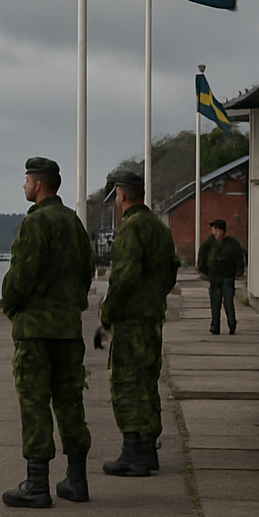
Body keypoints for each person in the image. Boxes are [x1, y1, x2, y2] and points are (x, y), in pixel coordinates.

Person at [0, 156, 95, 509]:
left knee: (35, 403)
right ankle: (77, 479)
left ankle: (36, 483)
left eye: (26, 180)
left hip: (36, 331)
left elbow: (20, 277)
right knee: (70, 401)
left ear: (38, 184)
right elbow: (88, 271)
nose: (23, 186)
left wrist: (10, 305)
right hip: (68, 330)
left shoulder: (35, 224)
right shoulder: (73, 223)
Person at [96, 171, 178, 478]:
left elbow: (124, 276)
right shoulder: (158, 228)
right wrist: (153, 296)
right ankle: (147, 448)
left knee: (127, 384)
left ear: (121, 195)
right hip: (152, 317)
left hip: (131, 321)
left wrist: (107, 315)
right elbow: (170, 272)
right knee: (147, 382)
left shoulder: (131, 228)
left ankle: (133, 452)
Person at [196, 219, 246, 335]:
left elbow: (239, 258)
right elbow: (202, 256)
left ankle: (232, 323)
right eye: (215, 230)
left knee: (228, 302)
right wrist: (202, 270)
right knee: (215, 303)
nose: (217, 233)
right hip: (214, 277)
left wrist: (239, 271)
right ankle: (215, 325)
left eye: (219, 230)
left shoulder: (232, 243)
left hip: (228, 277)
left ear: (223, 231)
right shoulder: (208, 243)